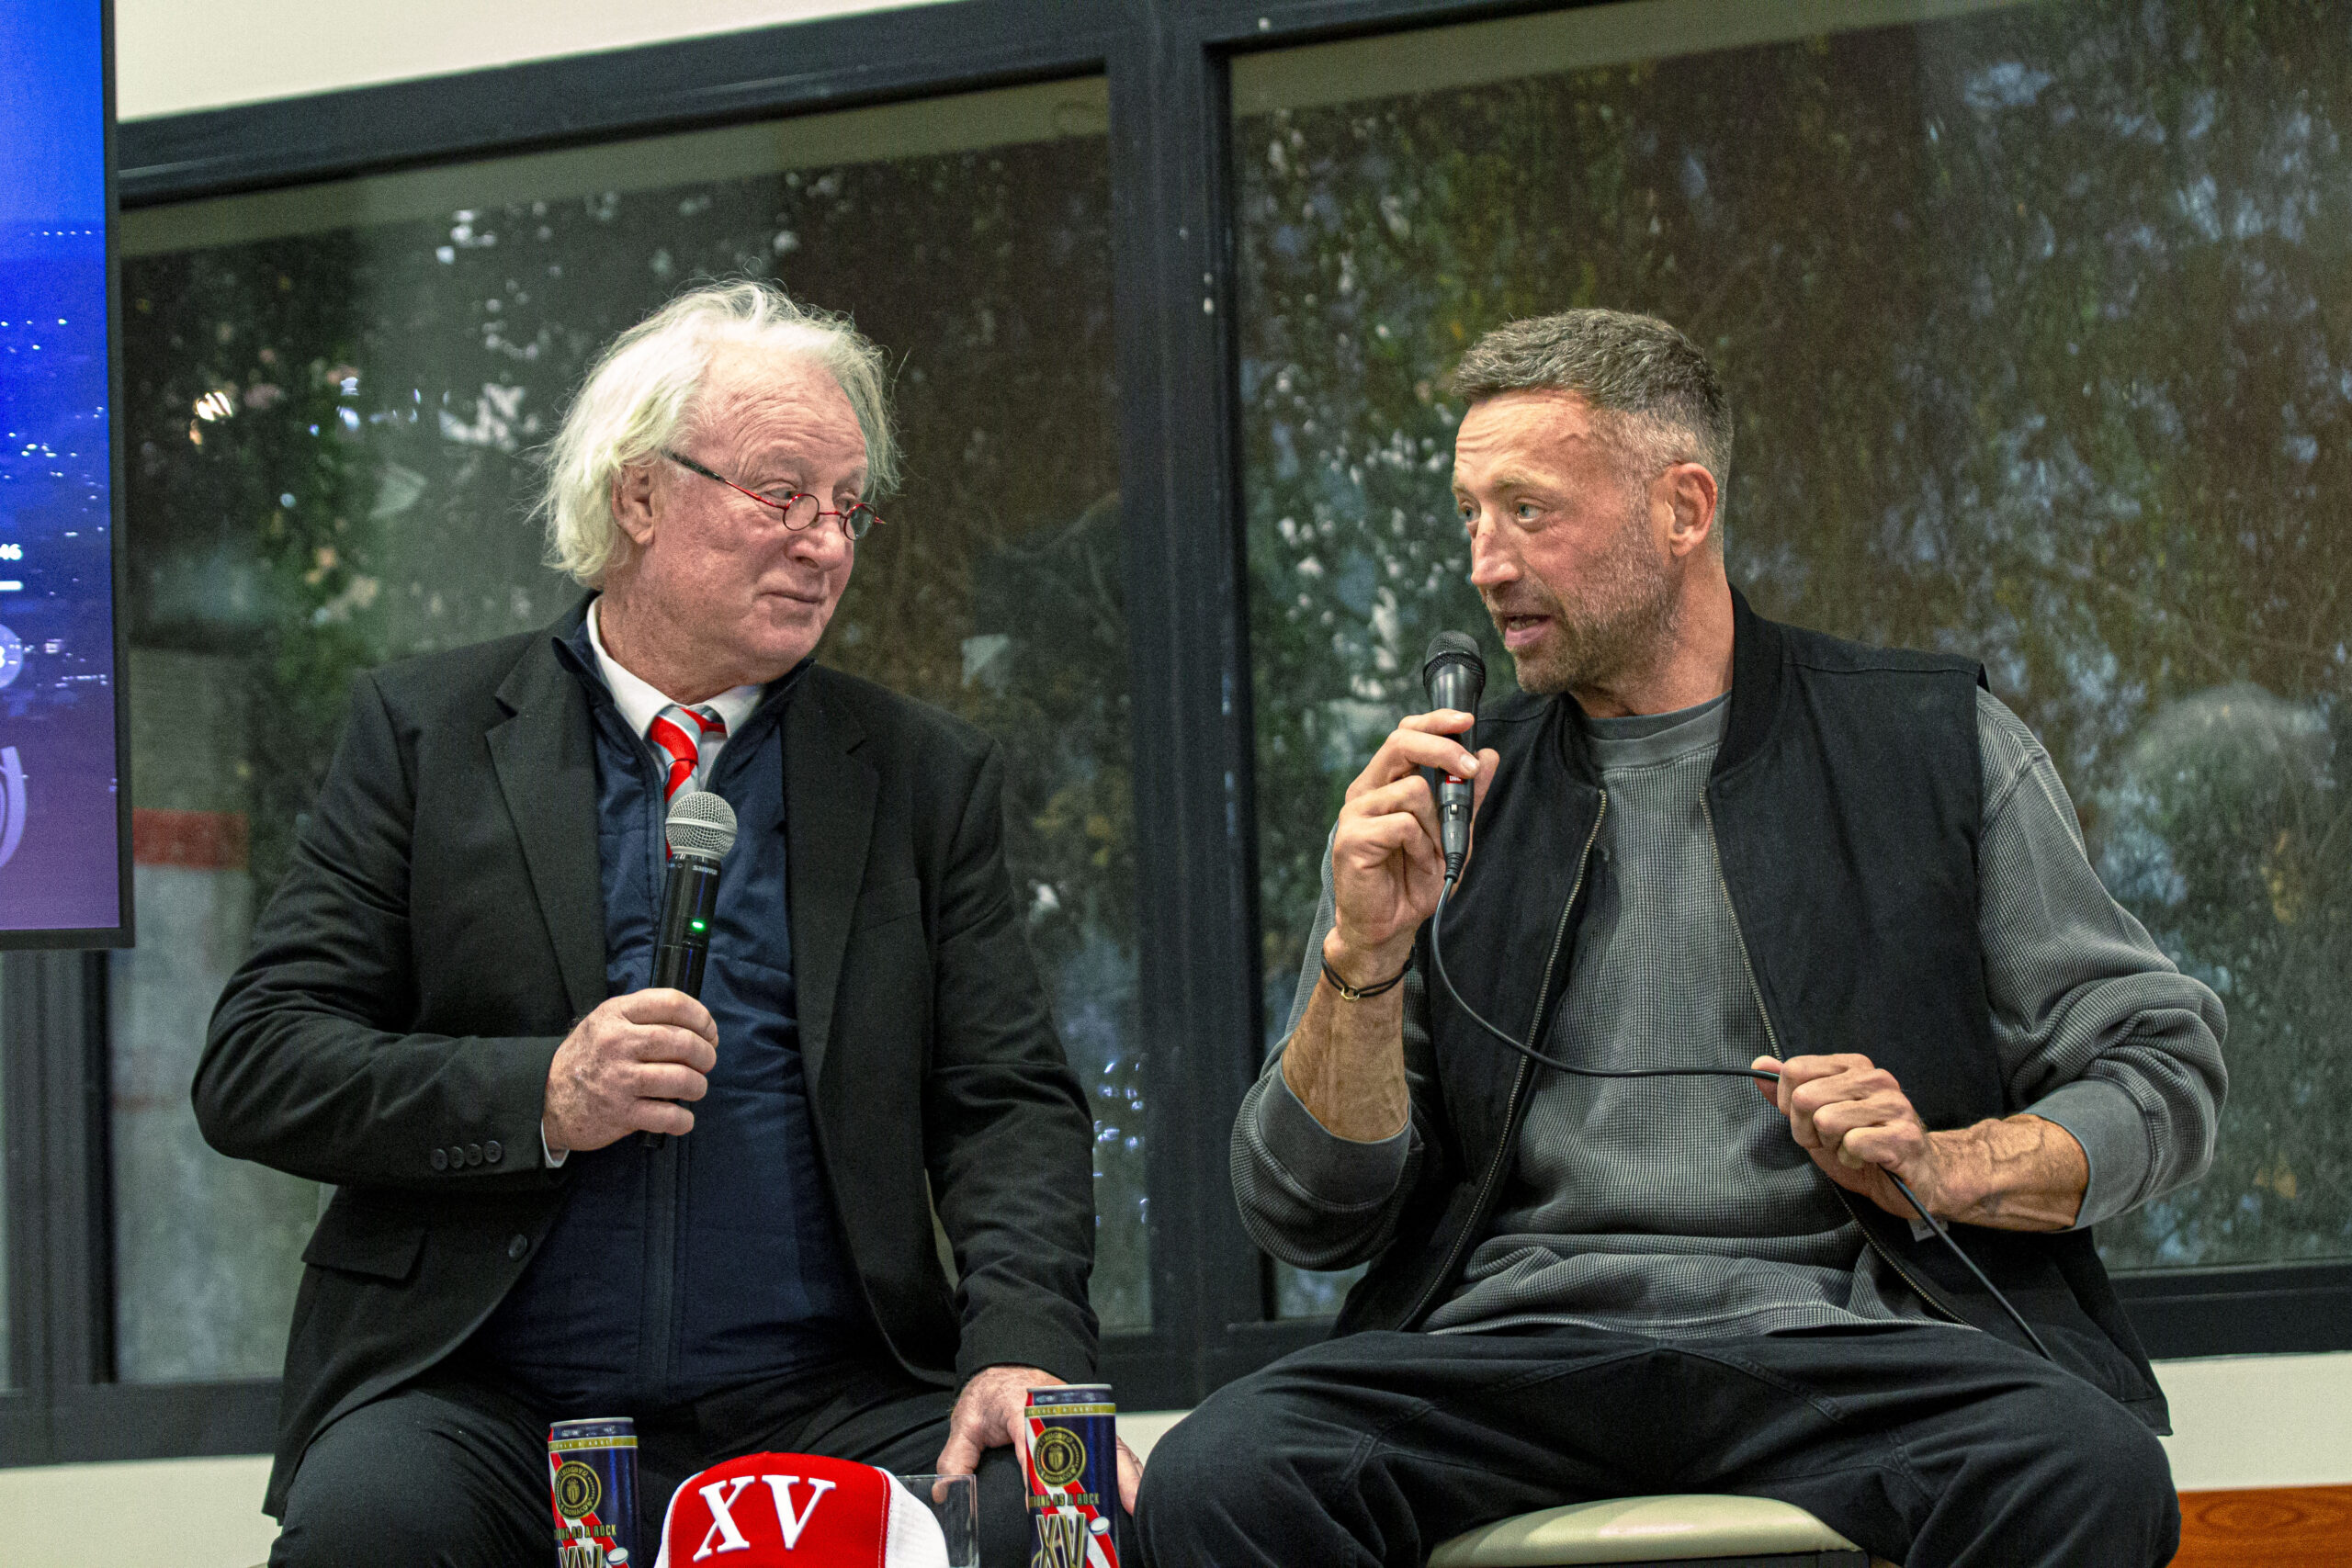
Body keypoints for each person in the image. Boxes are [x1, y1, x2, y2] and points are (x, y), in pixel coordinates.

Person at [1136, 310, 2226, 1568]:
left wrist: (1951, 1164)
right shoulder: (1439, 804)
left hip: (1843, 1349)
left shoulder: (1933, 745)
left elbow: (2162, 1067)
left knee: (2085, 1471)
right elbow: (1306, 1215)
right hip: (1509, 1361)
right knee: (1221, 1477)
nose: (1487, 562)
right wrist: (1361, 965)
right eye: (1469, 515)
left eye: (1529, 511)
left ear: (1684, 507)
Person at [195, 279, 1136, 1566]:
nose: (826, 543)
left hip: (831, 1400)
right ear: (637, 496)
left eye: (848, 507)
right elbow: (260, 1065)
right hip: (488, 1401)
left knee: (1064, 1517)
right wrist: (544, 1092)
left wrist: (1023, 1346)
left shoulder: (918, 777)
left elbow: (1008, 1103)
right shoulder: (429, 740)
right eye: (782, 493)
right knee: (366, 1534)